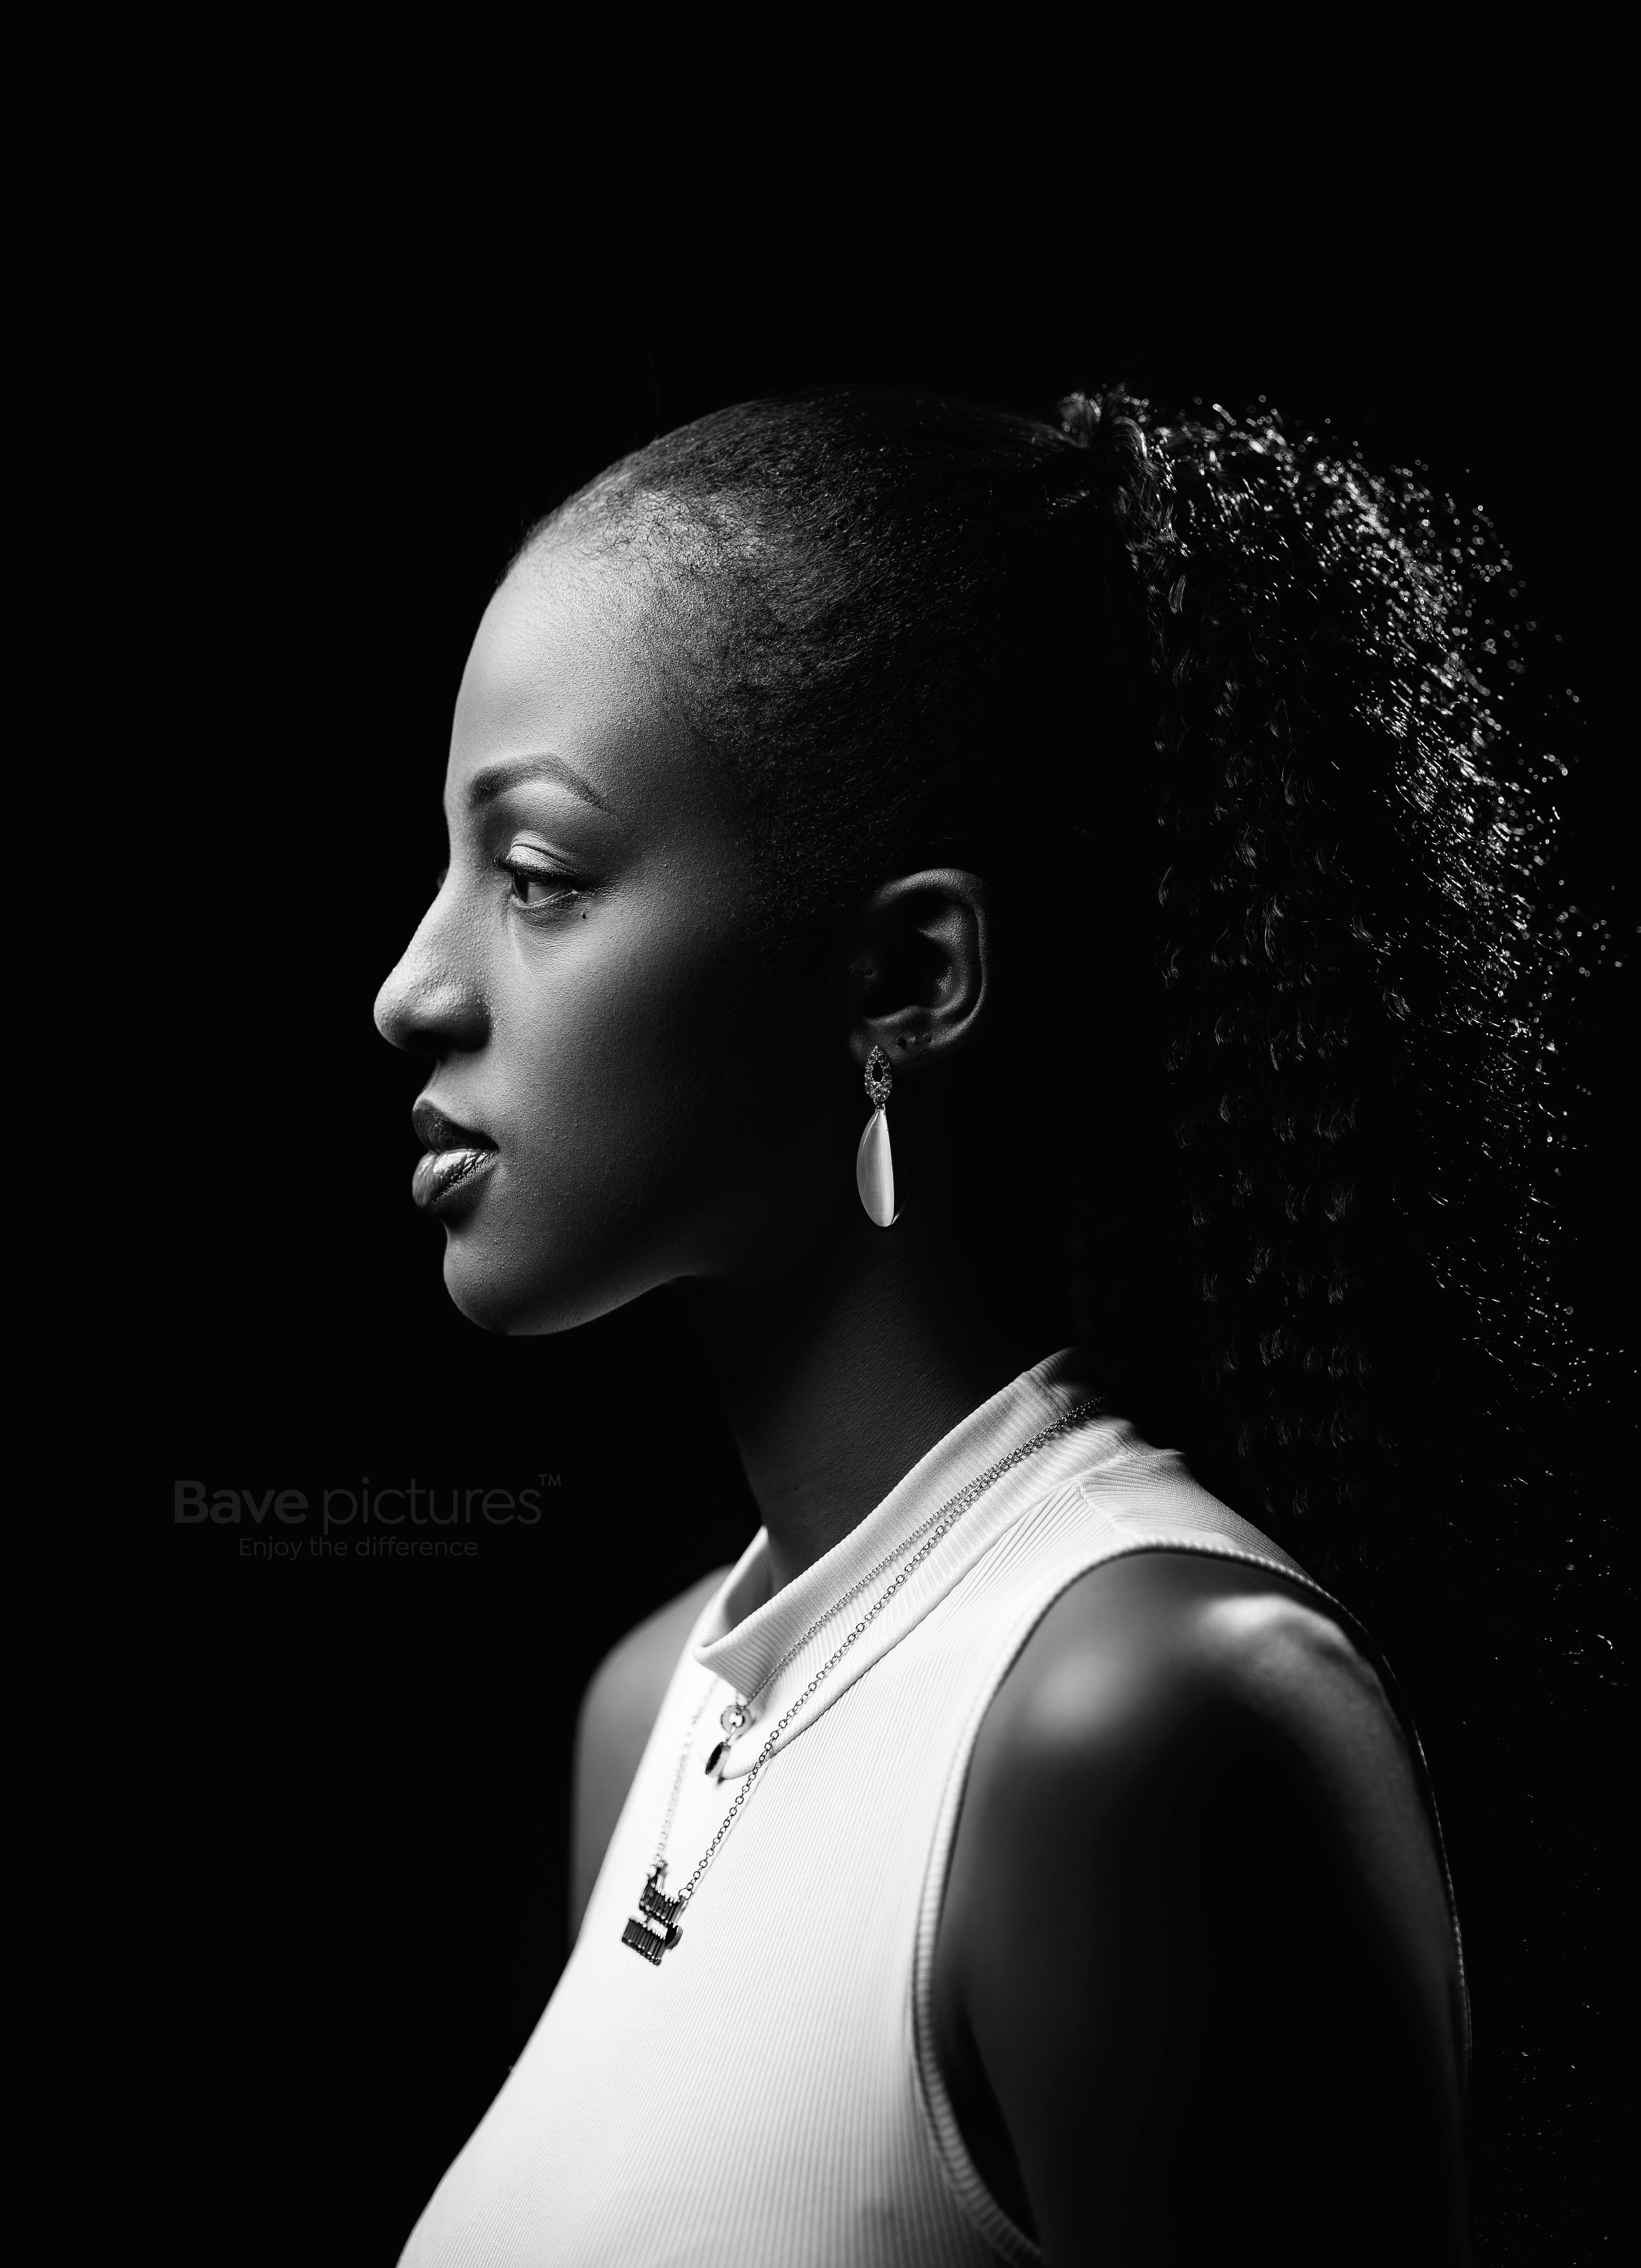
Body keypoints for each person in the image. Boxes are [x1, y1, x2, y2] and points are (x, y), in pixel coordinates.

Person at [374, 385, 1549, 2265]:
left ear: (908, 977)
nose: (411, 988)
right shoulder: (655, 1714)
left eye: (538, 879)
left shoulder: (1143, 1720)